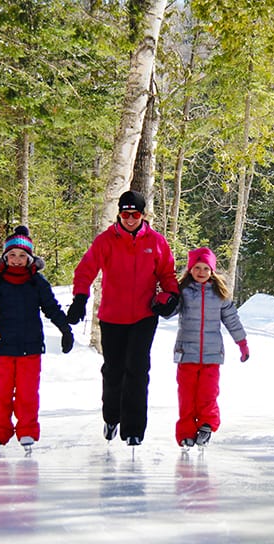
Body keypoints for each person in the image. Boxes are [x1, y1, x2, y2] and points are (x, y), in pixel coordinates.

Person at [66, 190, 179, 446]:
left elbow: (167, 273)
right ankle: (111, 417)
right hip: (112, 316)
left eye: (135, 215)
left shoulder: (156, 241)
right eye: (125, 214)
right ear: (119, 214)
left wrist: (171, 295)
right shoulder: (106, 240)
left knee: (137, 370)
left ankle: (134, 429)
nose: (130, 219)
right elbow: (85, 270)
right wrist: (80, 298)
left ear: (143, 215)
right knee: (114, 369)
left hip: (144, 315)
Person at [0, 226, 74, 453]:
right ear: (5, 258)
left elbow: (52, 308)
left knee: (27, 394)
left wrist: (65, 330)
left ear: (29, 258)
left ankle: (27, 431)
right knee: (1, 392)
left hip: (31, 348)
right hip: (4, 348)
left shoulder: (37, 283)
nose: (16, 260)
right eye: (12, 255)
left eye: (22, 255)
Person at [169, 247, 249, 449]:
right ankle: (186, 433)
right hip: (186, 353)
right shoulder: (183, 291)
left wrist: (242, 343)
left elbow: (232, 319)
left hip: (212, 355)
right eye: (197, 267)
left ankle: (206, 425)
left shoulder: (219, 294)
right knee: (186, 397)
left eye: (206, 268)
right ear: (190, 269)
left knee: (208, 393)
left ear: (212, 270)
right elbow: (169, 311)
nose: (201, 272)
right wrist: (163, 300)